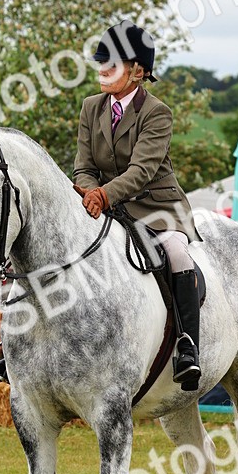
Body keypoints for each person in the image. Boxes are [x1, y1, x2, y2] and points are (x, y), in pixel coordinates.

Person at [73, 20, 203, 388]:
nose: (102, 69)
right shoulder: (90, 107)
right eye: (101, 62)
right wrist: (88, 193)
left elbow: (141, 171)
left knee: (177, 252)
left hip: (156, 208)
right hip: (105, 205)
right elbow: (83, 166)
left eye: (111, 64)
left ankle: (187, 346)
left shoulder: (156, 113)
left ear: (138, 72)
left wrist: (103, 194)